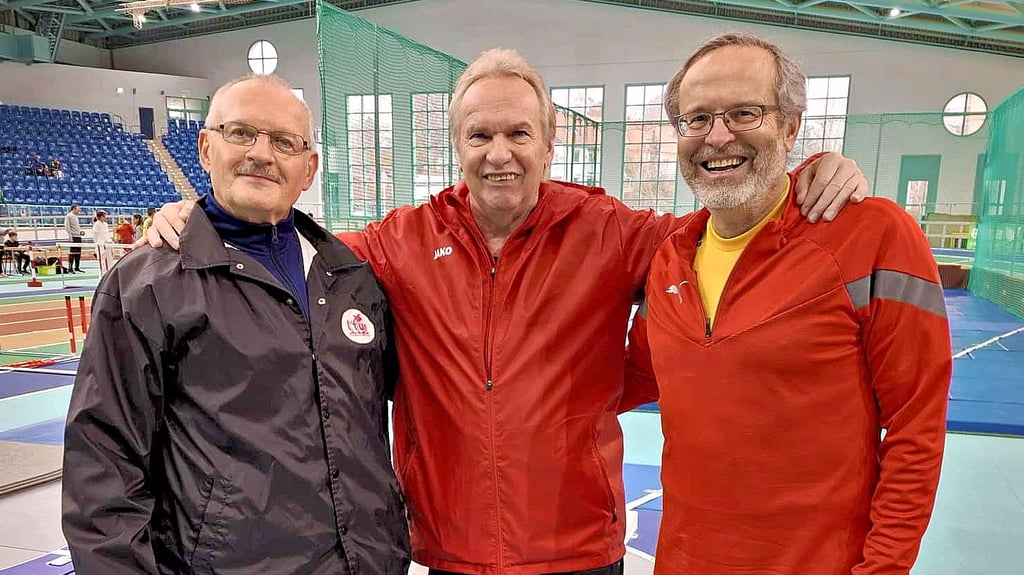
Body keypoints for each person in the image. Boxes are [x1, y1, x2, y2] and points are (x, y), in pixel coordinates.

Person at [147, 49, 868, 575]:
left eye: (519, 134)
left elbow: (724, 232)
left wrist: (806, 176)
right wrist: (199, 215)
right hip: (452, 550)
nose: (500, 154)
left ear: (549, 143)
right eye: (480, 136)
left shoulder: (612, 232)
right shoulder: (398, 241)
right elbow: (282, 238)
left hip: (578, 549)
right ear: (456, 146)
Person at [623, 32, 952, 575]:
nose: (717, 136)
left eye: (744, 113)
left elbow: (916, 429)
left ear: (790, 126)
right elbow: (622, 380)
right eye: (696, 119)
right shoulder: (669, 260)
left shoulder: (873, 236)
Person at [62, 74, 411, 575]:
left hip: (366, 563)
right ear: (206, 149)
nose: (262, 154)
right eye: (241, 133)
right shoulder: (147, 285)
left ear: (308, 168)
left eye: (284, 141)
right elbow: (103, 465)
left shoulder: (351, 277)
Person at [91, 210, 113, 274]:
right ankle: (103, 273)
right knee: (102, 260)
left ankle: (109, 272)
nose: (105, 217)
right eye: (104, 216)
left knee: (109, 260)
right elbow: (95, 235)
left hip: (107, 244)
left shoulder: (105, 224)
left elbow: (107, 234)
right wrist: (98, 243)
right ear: (100, 217)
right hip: (100, 244)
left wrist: (109, 240)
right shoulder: (97, 224)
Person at [64, 203, 83, 273]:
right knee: (72, 252)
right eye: (78, 209)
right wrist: (70, 236)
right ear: (74, 209)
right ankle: (70, 267)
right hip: (73, 236)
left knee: (78, 252)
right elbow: (67, 226)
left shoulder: (75, 216)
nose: (79, 211)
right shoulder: (69, 216)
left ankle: (77, 267)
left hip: (78, 236)